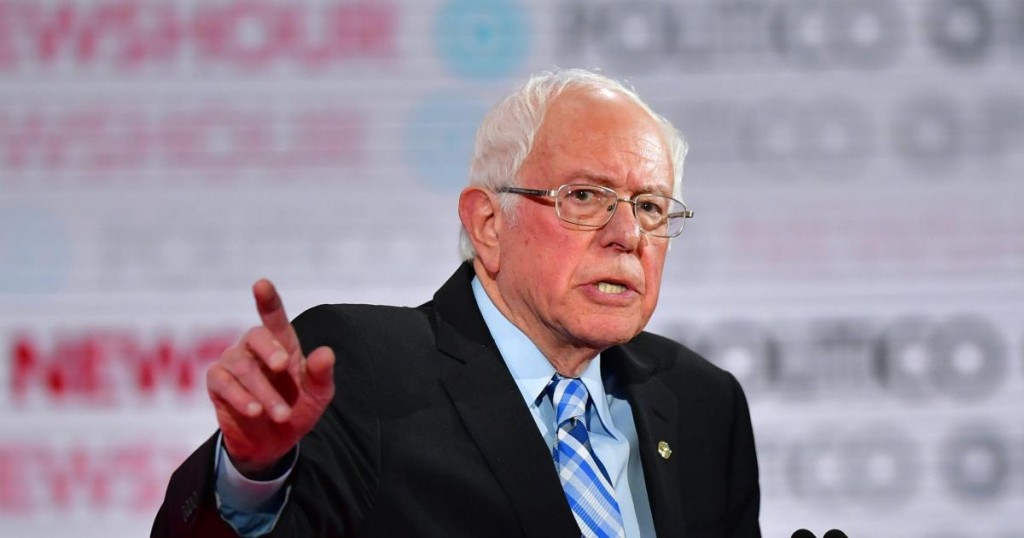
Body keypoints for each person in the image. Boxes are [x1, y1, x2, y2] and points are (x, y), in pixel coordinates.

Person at [152, 68, 761, 538]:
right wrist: (252, 476)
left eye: (651, 207)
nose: (627, 234)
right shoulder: (361, 368)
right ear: (490, 224)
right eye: (584, 196)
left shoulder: (703, 402)